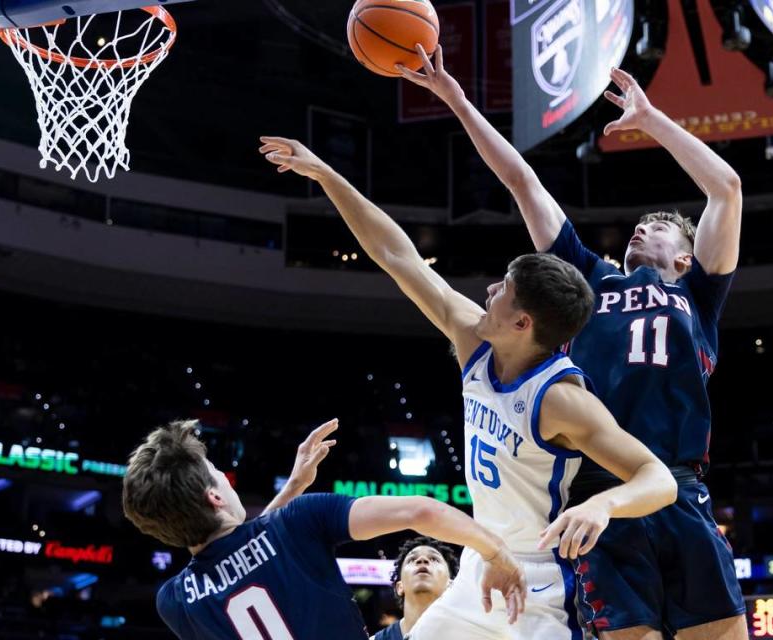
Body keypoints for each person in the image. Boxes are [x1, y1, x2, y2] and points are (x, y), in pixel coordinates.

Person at [259, 136, 677, 640]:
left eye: (502, 289)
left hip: (538, 584)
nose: (488, 291)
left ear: (523, 323)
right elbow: (397, 254)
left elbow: (659, 479)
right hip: (482, 561)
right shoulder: (472, 338)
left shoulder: (562, 400)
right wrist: (328, 176)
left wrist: (601, 504)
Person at [398, 45, 747, 640]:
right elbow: (520, 180)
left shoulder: (698, 292)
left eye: (658, 227)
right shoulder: (585, 279)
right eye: (641, 224)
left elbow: (727, 188)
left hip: (676, 487)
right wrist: (456, 100)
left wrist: (651, 119)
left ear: (684, 255)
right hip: (592, 495)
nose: (641, 227)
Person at [122, 418, 526, 639]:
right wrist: (496, 552)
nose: (226, 480)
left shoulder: (175, 602)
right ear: (214, 497)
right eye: (218, 475)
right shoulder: (298, 520)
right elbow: (421, 512)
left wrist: (293, 487)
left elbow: (235, 552)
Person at [372, 536, 460, 640]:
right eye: (412, 559)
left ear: (450, 585)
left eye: (434, 559)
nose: (422, 560)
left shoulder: (473, 634)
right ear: (400, 586)